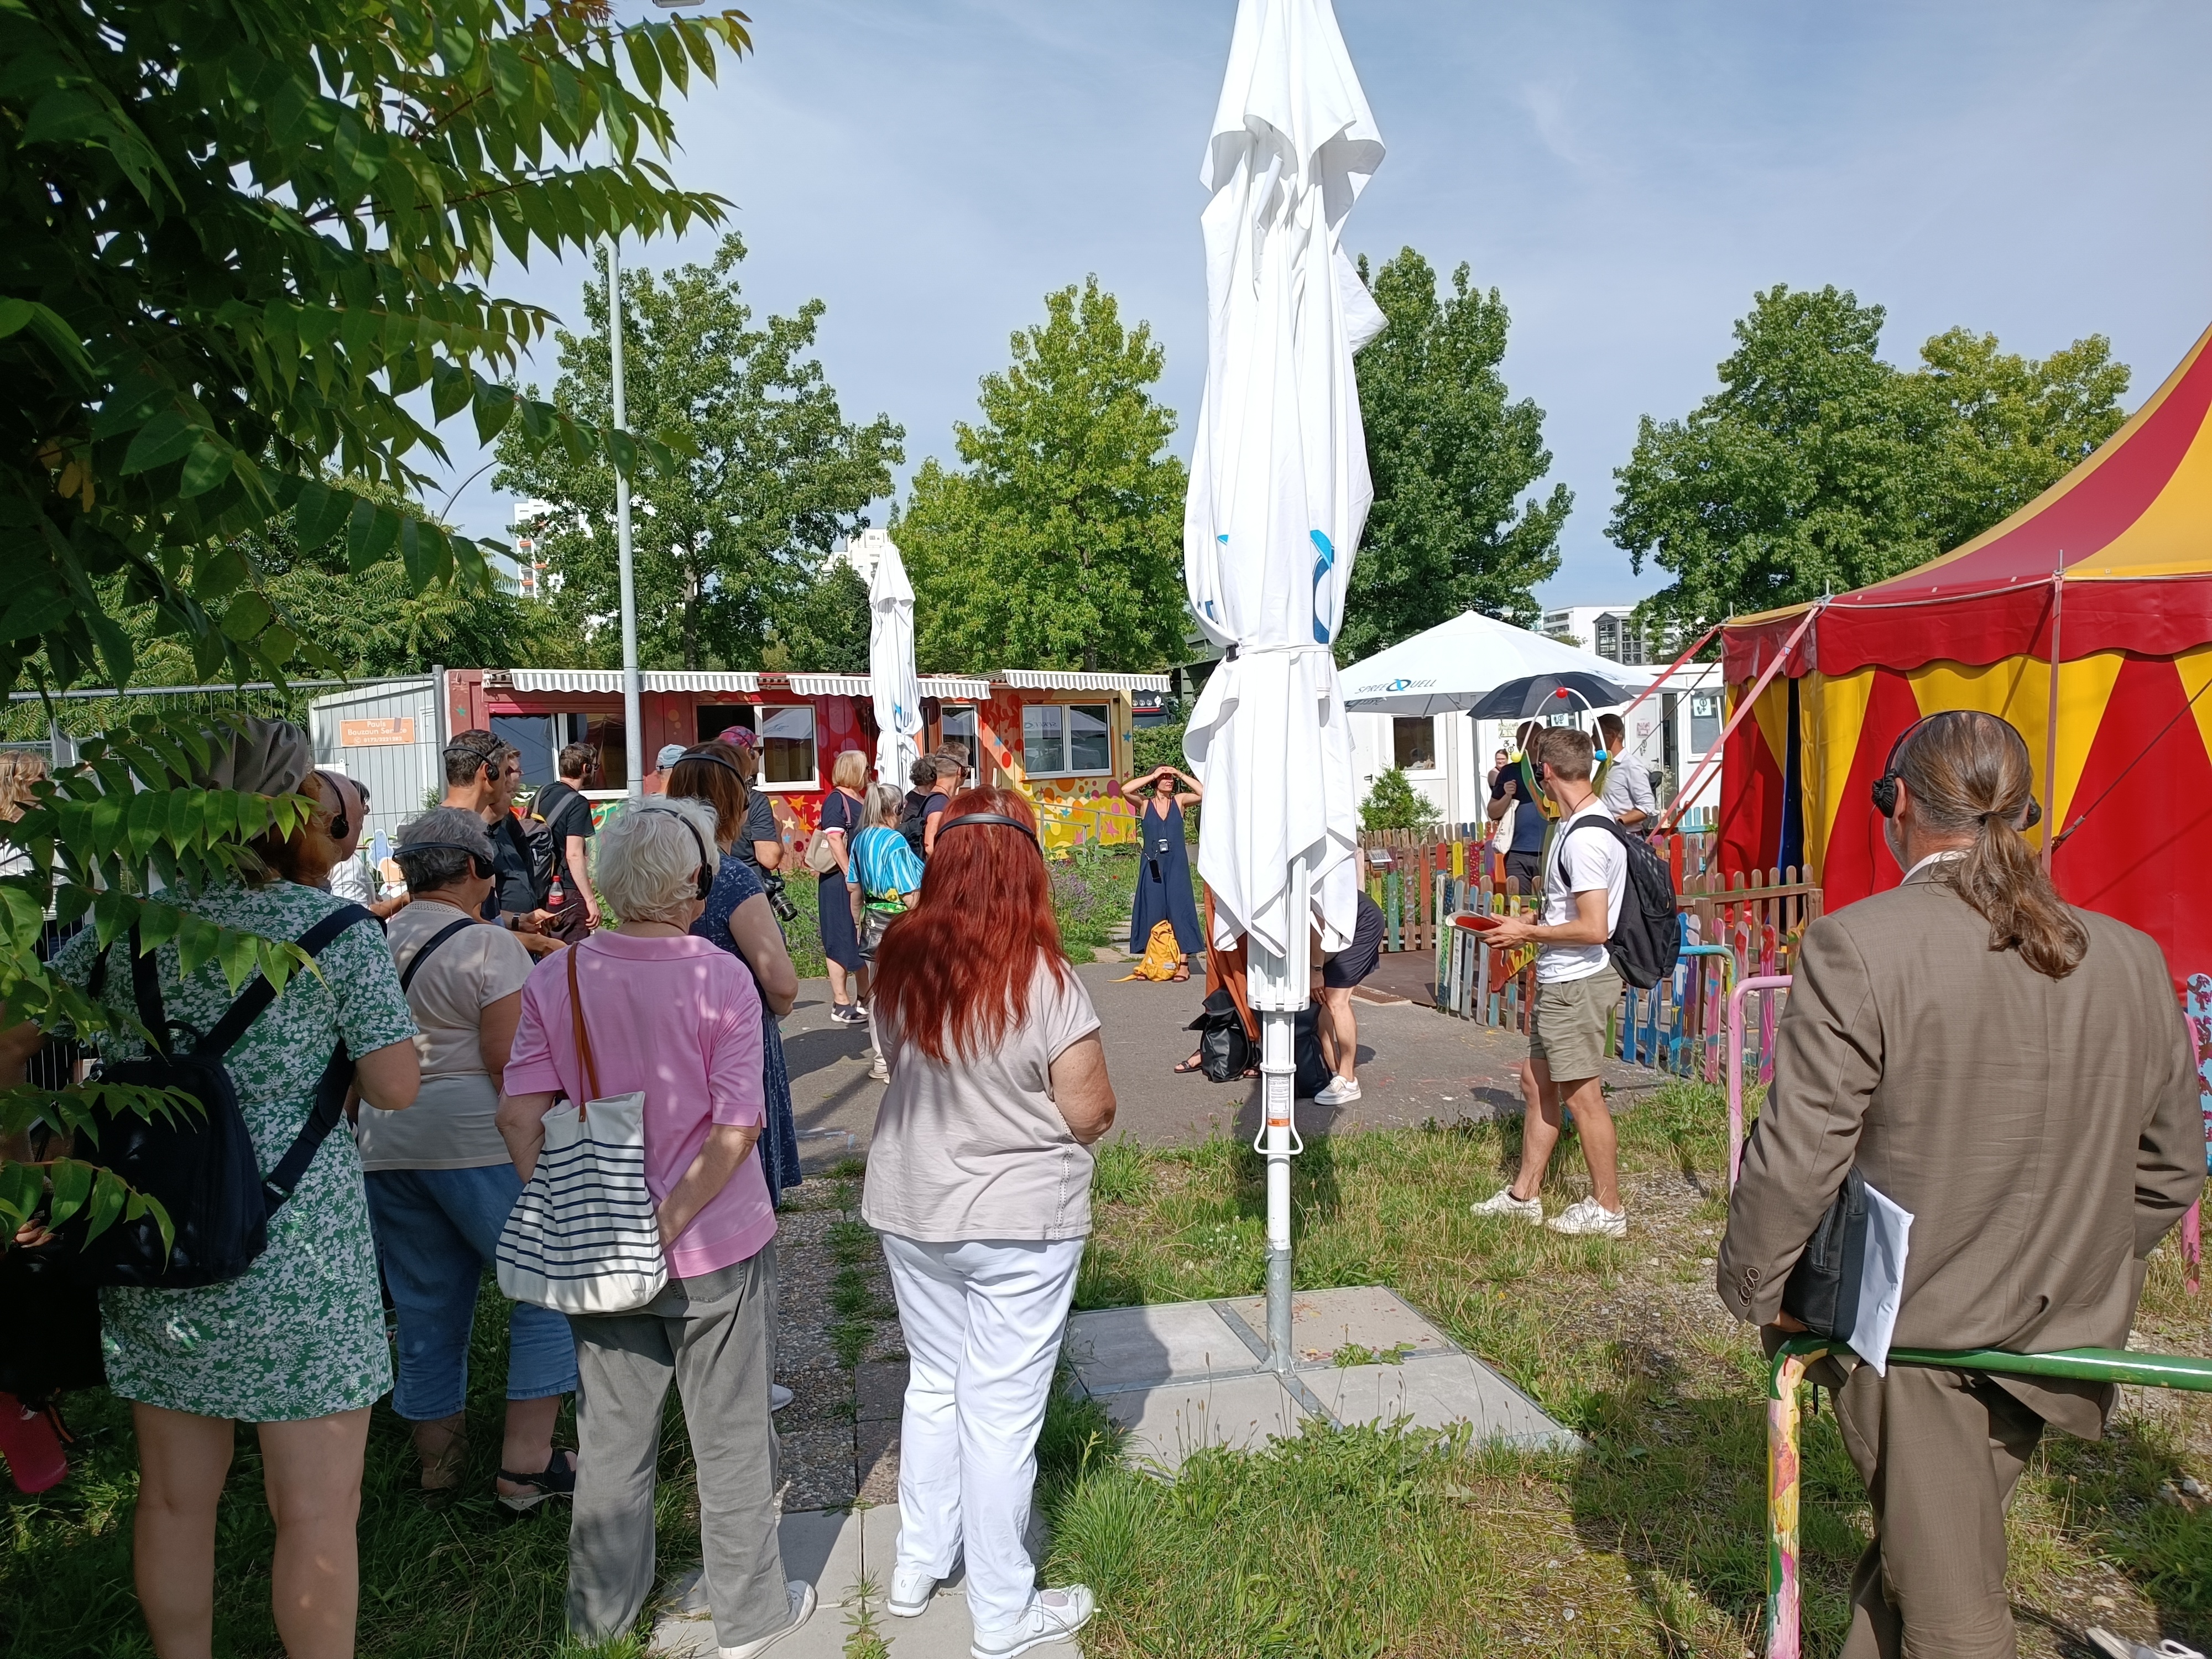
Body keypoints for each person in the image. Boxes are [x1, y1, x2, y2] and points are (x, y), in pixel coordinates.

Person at [1719, 711, 2203, 1659]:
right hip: (2061, 1333)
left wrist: (1759, 1293)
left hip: (1917, 1330)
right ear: (2025, 811)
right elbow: (2173, 1169)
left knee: (1952, 1612)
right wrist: (2079, 1262)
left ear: (1896, 803)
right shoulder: (2133, 957)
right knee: (1923, 1563)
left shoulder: (1860, 944)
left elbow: (1799, 1152)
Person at [35, 718, 421, 1659]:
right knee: (318, 1513)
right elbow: (395, 1089)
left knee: (171, 1497)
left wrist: (32, 1156)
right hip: (303, 1251)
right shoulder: (333, 932)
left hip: (157, 1239)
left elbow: (22, 1036)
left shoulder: (119, 930)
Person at [495, 796, 813, 1657]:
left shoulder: (553, 977)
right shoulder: (722, 980)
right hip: (717, 1243)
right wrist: (662, 1224)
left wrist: (577, 1210)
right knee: (732, 1433)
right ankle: (750, 1617)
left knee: (611, 1436)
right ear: (690, 886)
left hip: (599, 1251)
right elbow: (736, 1130)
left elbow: (519, 1116)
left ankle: (601, 1620)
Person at [863, 788, 1111, 1655]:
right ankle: (1002, 1611)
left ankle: (916, 1563)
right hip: (1018, 1218)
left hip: (913, 1201)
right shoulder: (1044, 978)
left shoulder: (896, 957)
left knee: (934, 1382)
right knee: (1001, 1413)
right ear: (1026, 869)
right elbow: (1090, 1111)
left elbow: (894, 1065)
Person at [358, 808, 580, 1510]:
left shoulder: (370, 942)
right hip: (476, 1144)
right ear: (479, 870)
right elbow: (504, 1063)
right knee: (545, 1287)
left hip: (385, 1144)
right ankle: (528, 1465)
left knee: (426, 1306)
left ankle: (438, 1468)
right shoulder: (489, 947)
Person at [1470, 725, 1631, 1238]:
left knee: (1583, 1098)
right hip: (1564, 977)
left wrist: (1526, 932)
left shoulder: (1585, 837)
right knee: (1535, 1083)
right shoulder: (1580, 820)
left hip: (1577, 983)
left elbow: (1594, 927)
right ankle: (1525, 1195)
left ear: (1545, 771)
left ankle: (1609, 1210)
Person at [665, 744, 805, 1213]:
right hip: (735, 1038)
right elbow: (781, 983)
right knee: (742, 1172)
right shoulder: (731, 877)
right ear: (734, 804)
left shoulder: (655, 867)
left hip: (668, 1034)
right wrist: (777, 1011)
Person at [442, 732, 560, 958]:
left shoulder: (461, 827)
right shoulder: (459, 835)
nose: (512, 781)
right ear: (490, 772)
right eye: (507, 772)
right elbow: (468, 923)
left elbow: (485, 912)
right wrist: (540, 944)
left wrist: (518, 920)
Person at [1120, 763, 1203, 975]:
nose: (1169, 780)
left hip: (1177, 865)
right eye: (1165, 777)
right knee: (1153, 910)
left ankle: (1183, 964)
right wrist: (1154, 775)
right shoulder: (1145, 804)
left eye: (1171, 778)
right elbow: (1125, 790)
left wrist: (1180, 773)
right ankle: (1154, 961)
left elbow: (1203, 792)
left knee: (1180, 910)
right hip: (1152, 865)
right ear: (1156, 781)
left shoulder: (1180, 801)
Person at [1311, 891, 1386, 1106]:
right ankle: (1332, 1068)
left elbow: (1316, 925)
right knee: (1321, 998)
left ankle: (1348, 1080)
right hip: (1337, 925)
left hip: (1360, 924)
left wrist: (1316, 970)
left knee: (1336, 999)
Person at [814, 748, 870, 1025]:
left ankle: (865, 997)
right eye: (865, 767)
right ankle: (840, 1001)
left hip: (860, 879)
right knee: (839, 935)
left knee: (861, 937)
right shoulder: (836, 800)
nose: (869, 771)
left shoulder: (861, 797)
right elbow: (835, 840)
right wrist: (850, 875)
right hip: (839, 880)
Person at [533, 742, 602, 941]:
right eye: (594, 767)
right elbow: (573, 854)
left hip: (540, 889)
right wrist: (590, 900)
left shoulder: (541, 794)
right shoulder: (578, 803)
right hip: (567, 891)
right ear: (585, 768)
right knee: (572, 956)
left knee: (548, 950)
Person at [319, 774, 411, 921]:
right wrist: (404, 899)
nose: (362, 823)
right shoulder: (347, 864)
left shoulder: (325, 855)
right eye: (361, 813)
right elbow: (358, 914)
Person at [1486, 720, 1548, 892]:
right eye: (1518, 739)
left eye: (1523, 739)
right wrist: (1507, 796)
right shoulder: (1509, 771)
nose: (1518, 744)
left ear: (1538, 741)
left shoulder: (1552, 769)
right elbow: (1493, 812)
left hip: (1549, 850)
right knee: (1519, 904)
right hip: (1517, 852)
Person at [715, 728, 786, 875]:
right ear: (749, 753)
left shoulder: (701, 796)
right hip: (749, 887)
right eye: (759, 750)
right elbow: (769, 859)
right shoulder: (755, 800)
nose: (760, 755)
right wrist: (778, 830)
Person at [1596, 713, 1655, 832]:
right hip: (1606, 835)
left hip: (1626, 838)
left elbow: (1647, 807)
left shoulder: (1631, 766)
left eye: (1596, 734)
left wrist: (1616, 822)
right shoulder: (1604, 765)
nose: (1593, 739)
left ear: (1611, 736)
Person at [898, 754, 941, 860]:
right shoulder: (910, 801)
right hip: (918, 855)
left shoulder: (937, 796)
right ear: (932, 777)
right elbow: (913, 833)